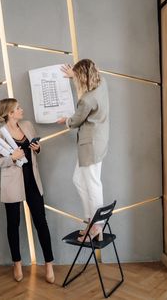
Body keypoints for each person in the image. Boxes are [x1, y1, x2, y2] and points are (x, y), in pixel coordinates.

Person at [0, 98, 54, 283]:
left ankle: (49, 264)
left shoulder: (27, 126)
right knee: (13, 225)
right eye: (18, 108)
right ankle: (17, 263)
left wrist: (38, 148)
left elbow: (34, 151)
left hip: (33, 182)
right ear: (9, 113)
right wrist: (12, 157)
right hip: (12, 184)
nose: (21, 109)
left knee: (41, 223)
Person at [57, 59, 109, 242]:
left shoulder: (87, 100)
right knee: (79, 180)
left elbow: (75, 121)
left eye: (77, 77)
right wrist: (75, 73)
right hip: (98, 141)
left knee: (93, 185)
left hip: (90, 145)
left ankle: (96, 227)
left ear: (83, 77)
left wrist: (65, 120)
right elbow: (95, 68)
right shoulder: (101, 83)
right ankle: (90, 221)